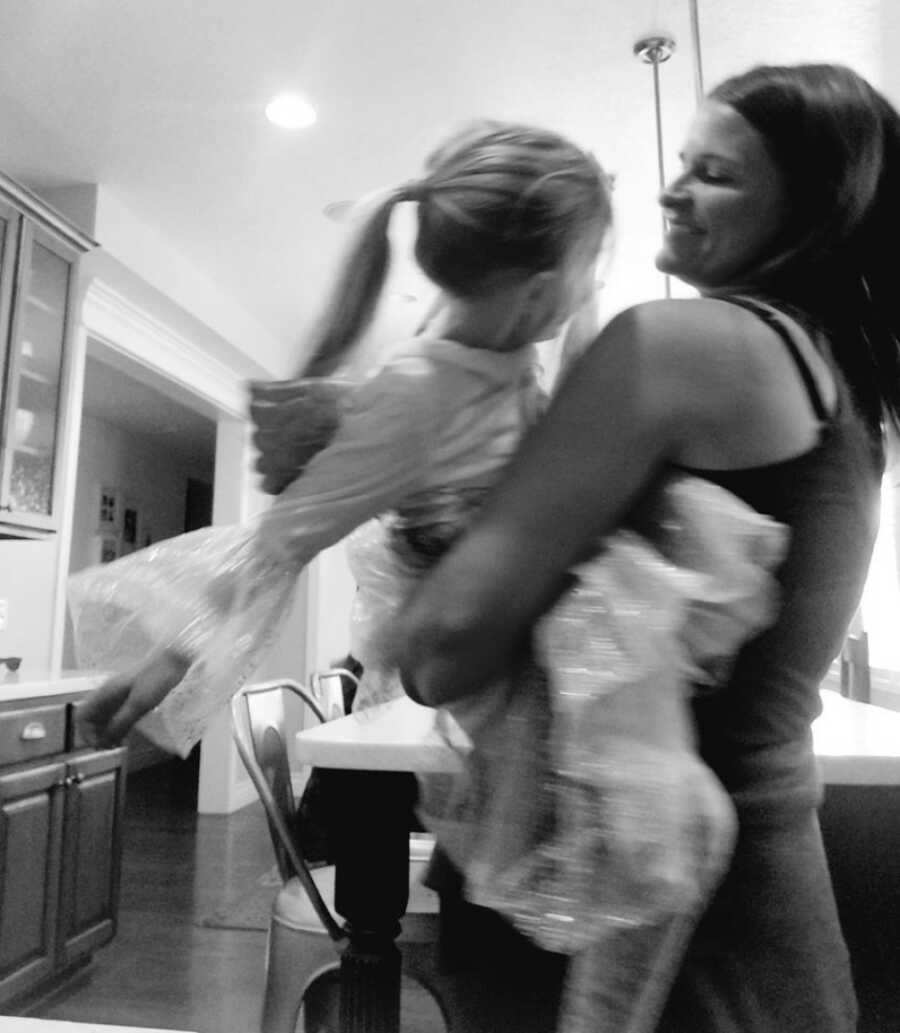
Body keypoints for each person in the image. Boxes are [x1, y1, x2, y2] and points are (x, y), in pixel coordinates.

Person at [70, 117, 785, 1033]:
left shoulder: (507, 350)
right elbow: (279, 540)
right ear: (538, 289)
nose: (590, 289)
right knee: (667, 843)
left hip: (542, 608)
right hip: (514, 634)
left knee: (656, 842)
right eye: (588, 269)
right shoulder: (415, 391)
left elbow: (569, 385)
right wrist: (164, 665)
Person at [395, 63, 900, 1033]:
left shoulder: (676, 345)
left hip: (613, 907)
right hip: (775, 893)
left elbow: (438, 651)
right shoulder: (847, 390)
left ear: (813, 209)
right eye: (683, 162)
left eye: (716, 172)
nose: (672, 189)